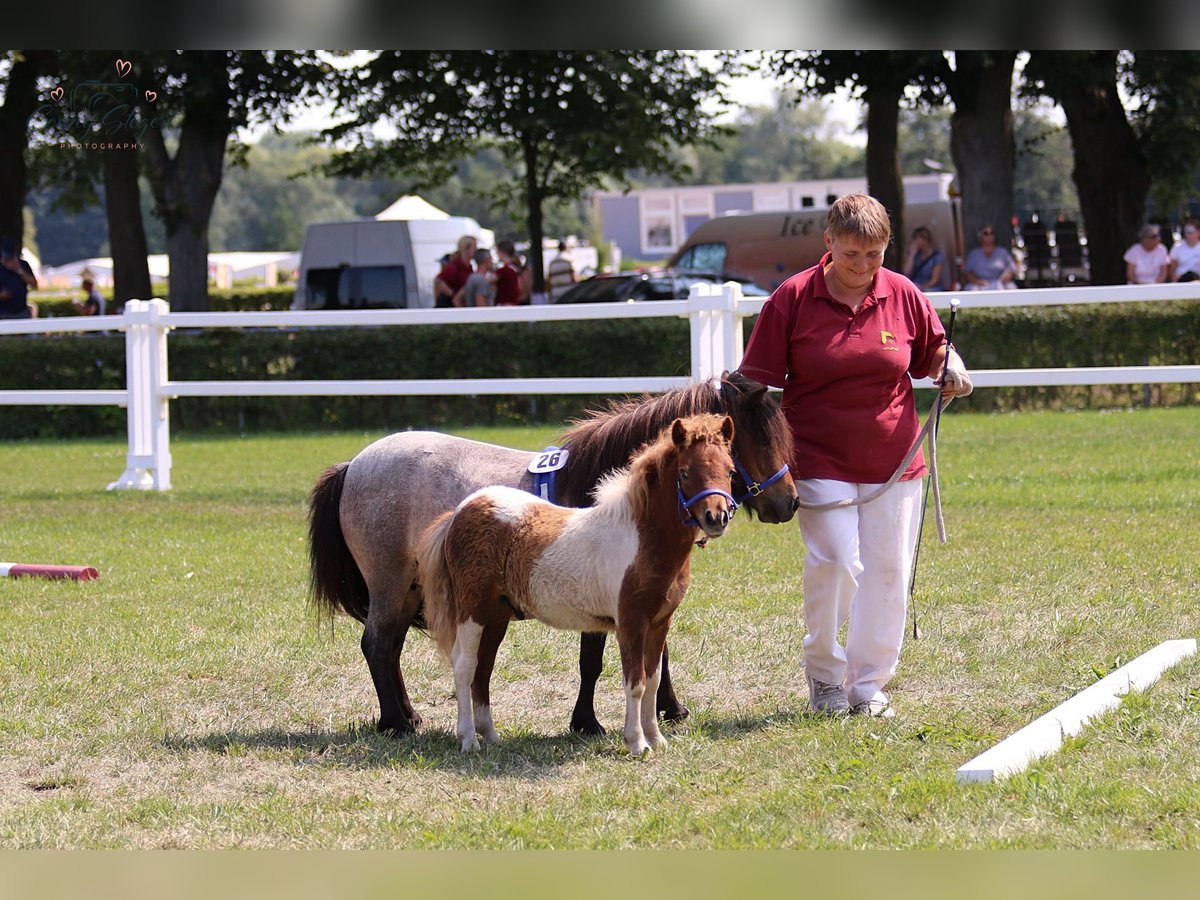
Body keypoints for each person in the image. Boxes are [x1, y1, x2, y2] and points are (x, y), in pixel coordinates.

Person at [736, 194, 973, 719]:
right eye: (850, 255)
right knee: (837, 563)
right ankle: (824, 676)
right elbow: (754, 382)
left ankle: (867, 686)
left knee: (888, 572)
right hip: (816, 456)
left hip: (895, 459)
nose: (863, 267)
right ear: (828, 243)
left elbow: (933, 347)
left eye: (875, 255)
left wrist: (950, 364)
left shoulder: (903, 293)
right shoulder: (791, 298)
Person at [962, 224, 1016, 290]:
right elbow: (968, 272)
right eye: (986, 233)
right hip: (980, 284)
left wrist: (1002, 280)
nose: (989, 236)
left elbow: (1011, 269)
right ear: (980, 237)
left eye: (992, 233)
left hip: (1000, 283)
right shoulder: (974, 254)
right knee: (970, 289)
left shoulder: (1003, 252)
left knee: (1011, 287)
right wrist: (979, 282)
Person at [901, 225, 949, 292]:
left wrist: (921, 287)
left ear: (925, 240)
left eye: (916, 239)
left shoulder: (937, 257)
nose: (914, 242)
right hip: (915, 286)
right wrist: (912, 254)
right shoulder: (916, 256)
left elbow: (934, 280)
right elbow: (906, 272)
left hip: (931, 289)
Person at [432, 235, 477, 308]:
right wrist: (453, 295)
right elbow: (438, 281)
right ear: (466, 248)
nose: (475, 251)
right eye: (474, 248)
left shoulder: (468, 267)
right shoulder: (455, 266)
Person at [0, 239, 38, 319]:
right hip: (3, 312)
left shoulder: (23, 265)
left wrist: (18, 270)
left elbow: (34, 285)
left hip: (22, 311)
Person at [492, 240, 522, 306]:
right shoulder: (515, 267)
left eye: (498, 252)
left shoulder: (505, 270)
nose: (497, 255)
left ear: (502, 252)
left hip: (506, 304)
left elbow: (489, 280)